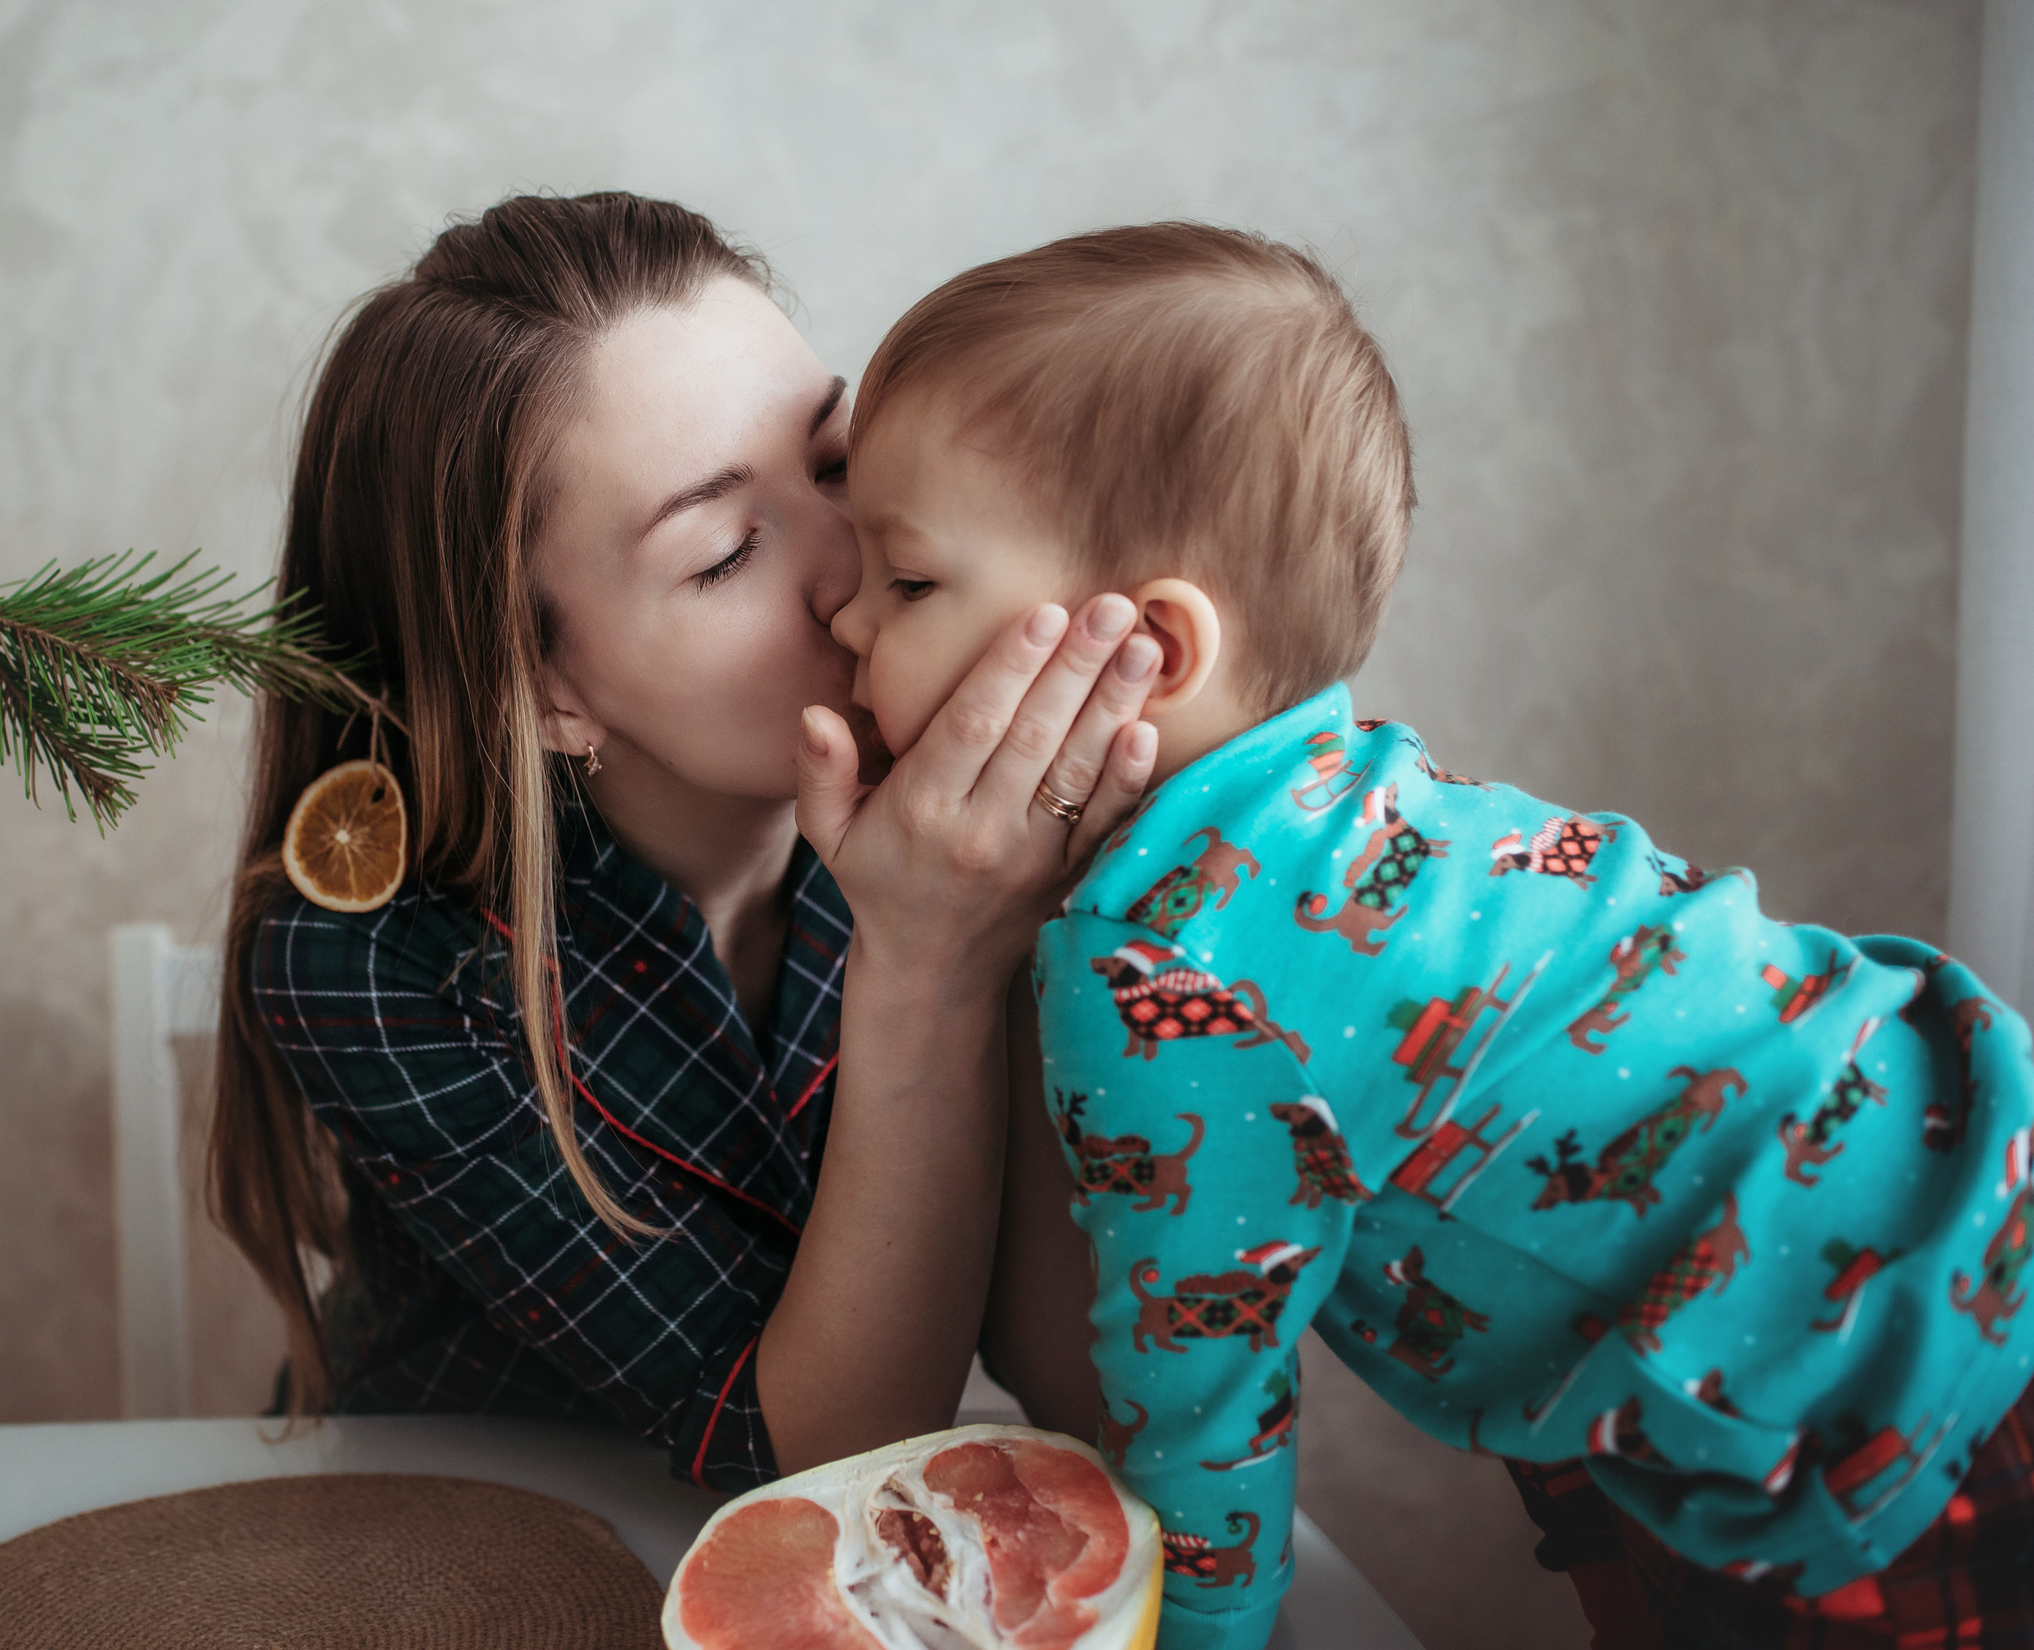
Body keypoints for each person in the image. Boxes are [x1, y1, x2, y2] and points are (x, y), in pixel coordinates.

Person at [831, 220, 2034, 1649]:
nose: (843, 616)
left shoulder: (1157, 964)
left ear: (1150, 644)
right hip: (1965, 1150)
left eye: (904, 581)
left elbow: (1200, 1410)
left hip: (1881, 1387)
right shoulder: (1341, 790)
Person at [205, 192, 1166, 1492]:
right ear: (543, 683)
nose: (858, 568)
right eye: (725, 553)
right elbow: (808, 1457)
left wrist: (1062, 918)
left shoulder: (955, 819)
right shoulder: (371, 960)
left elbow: (1080, 1380)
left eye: (836, 462)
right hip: (446, 1550)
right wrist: (932, 966)